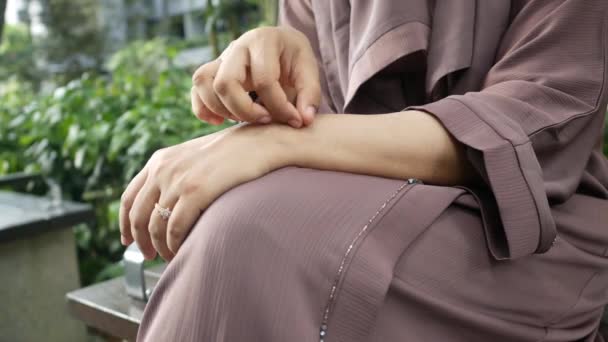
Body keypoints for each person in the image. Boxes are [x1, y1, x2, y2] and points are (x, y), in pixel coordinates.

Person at [120, 0, 608, 341]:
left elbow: (533, 123)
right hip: (351, 206)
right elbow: (317, 130)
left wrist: (274, 141)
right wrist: (274, 78)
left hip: (524, 236)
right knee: (242, 231)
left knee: (247, 238)